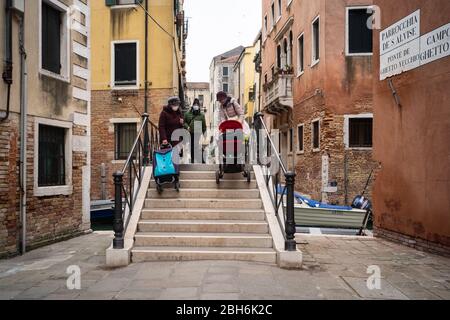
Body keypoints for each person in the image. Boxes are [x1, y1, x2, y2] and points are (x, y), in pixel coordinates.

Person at [184, 99, 207, 163]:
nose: (196, 106)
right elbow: (184, 122)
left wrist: (205, 134)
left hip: (198, 131)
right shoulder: (188, 113)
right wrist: (187, 127)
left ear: (199, 106)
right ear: (193, 105)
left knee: (196, 145)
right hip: (190, 131)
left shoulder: (201, 115)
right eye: (195, 104)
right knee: (192, 146)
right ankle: (193, 159)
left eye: (197, 104)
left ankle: (197, 158)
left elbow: (204, 125)